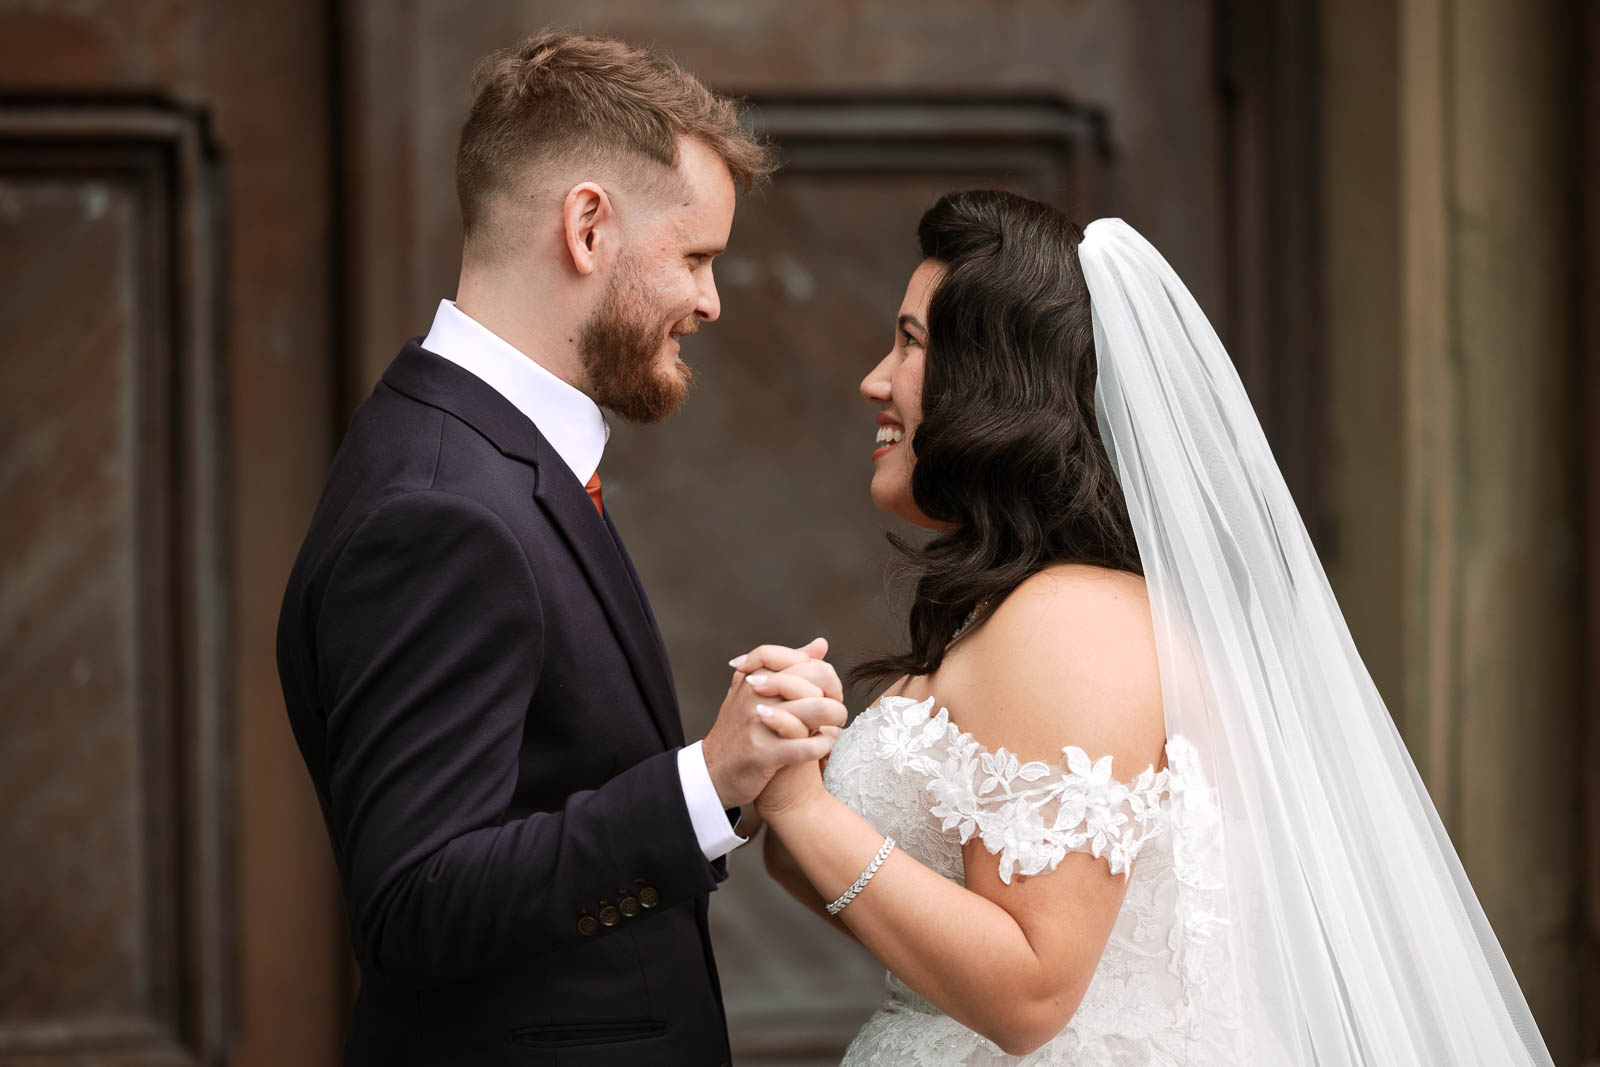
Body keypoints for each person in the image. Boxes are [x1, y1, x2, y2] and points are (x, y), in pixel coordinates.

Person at [742, 190, 1555, 1065]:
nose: (877, 378)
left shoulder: (1072, 623)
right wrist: (798, 782)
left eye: (911, 341)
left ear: (991, 379)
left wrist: (805, 808)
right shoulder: (1019, 610)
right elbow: (904, 908)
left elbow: (1030, 992)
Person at [274, 32, 845, 1066]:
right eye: (695, 257)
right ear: (587, 227)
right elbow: (414, 901)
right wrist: (703, 779)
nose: (711, 301)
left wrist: (723, 782)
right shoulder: (442, 509)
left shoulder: (479, 451)